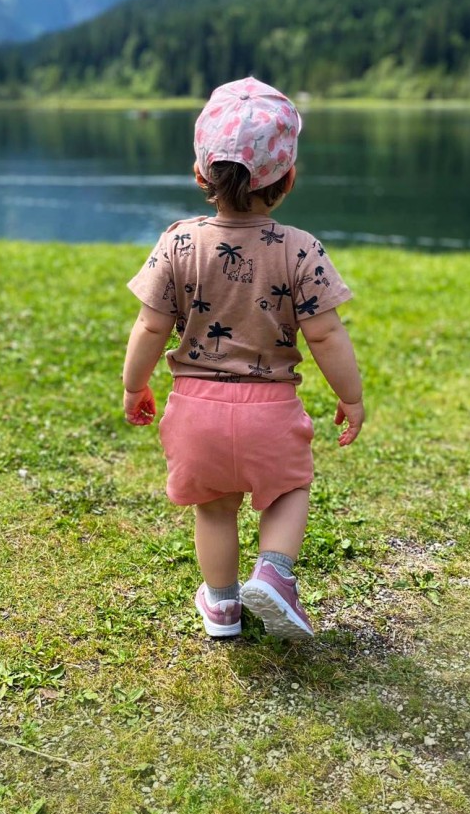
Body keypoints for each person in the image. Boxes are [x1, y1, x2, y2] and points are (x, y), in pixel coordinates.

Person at [122, 77, 364, 640]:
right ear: (287, 178)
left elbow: (151, 323)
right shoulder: (300, 248)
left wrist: (134, 385)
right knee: (288, 490)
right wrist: (349, 397)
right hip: (270, 412)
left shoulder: (178, 242)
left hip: (195, 411)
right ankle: (275, 574)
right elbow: (326, 335)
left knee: (214, 507)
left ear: (201, 173)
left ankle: (224, 607)